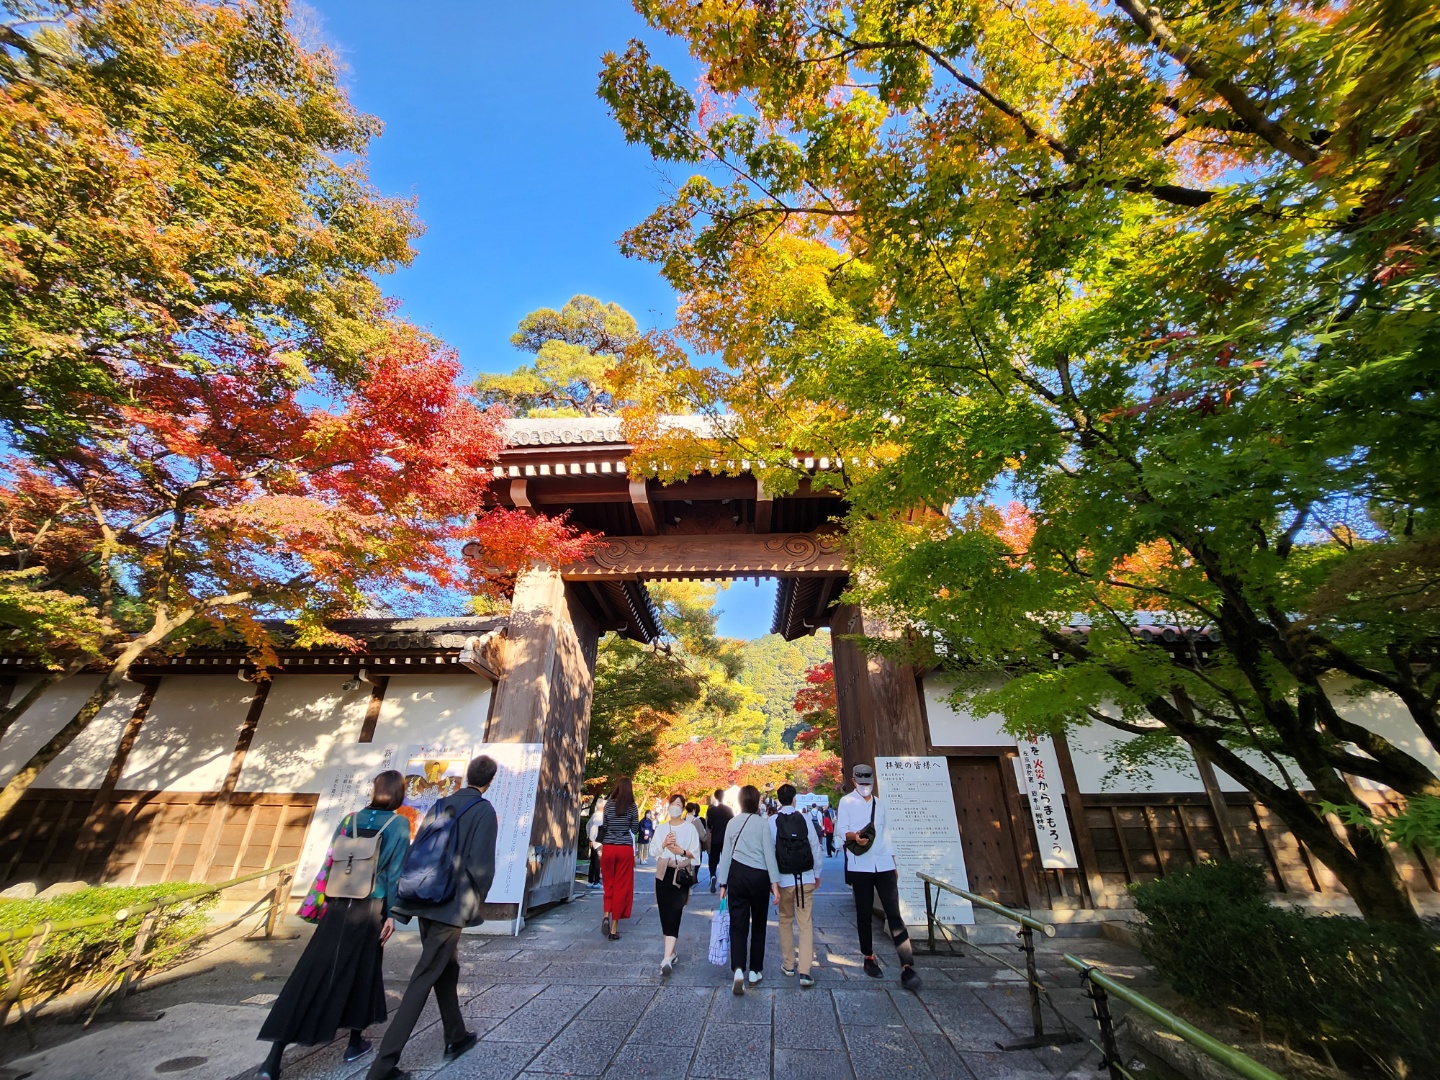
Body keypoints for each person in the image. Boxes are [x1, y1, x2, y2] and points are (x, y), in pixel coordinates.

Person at [255, 771, 410, 1080]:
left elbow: (331, 861)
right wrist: (394, 914)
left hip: (338, 904)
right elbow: (395, 872)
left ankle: (272, 1060)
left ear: (376, 790)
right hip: (370, 907)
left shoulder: (350, 820)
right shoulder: (398, 824)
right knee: (362, 972)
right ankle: (353, 1043)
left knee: (310, 972)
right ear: (398, 794)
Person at [366, 755, 500, 1080]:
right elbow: (481, 866)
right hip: (451, 906)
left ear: (468, 775)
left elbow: (419, 850)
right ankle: (383, 1066)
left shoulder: (441, 804)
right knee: (424, 976)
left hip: (426, 898)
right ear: (490, 781)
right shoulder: (483, 810)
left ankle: (456, 1036)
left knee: (446, 969)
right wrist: (473, 904)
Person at [837, 762, 921, 993]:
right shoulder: (846, 802)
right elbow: (841, 830)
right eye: (861, 782)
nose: (865, 786)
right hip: (860, 864)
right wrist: (854, 836)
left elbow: (886, 834)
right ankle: (869, 957)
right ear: (854, 781)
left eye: (868, 782)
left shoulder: (880, 804)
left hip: (883, 863)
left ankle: (907, 965)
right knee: (864, 913)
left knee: (894, 913)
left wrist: (893, 861)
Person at [716, 784, 779, 996]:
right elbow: (769, 853)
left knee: (738, 922)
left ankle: (738, 969)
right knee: (759, 923)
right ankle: (754, 971)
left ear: (741, 801)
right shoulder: (762, 823)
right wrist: (775, 883)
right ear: (757, 801)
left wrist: (723, 884)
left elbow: (726, 855)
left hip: (737, 874)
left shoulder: (733, 823)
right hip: (760, 876)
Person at [770, 784, 825, 989]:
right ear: (794, 799)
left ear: (779, 800)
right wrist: (816, 873)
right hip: (805, 878)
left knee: (785, 920)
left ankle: (788, 964)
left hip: (784, 880)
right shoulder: (805, 819)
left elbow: (770, 852)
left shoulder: (772, 821)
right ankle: (805, 971)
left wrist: (773, 881)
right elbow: (815, 847)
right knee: (805, 923)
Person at [651, 792, 701, 975]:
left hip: (680, 874)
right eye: (673, 803)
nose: (675, 807)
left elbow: (696, 855)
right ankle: (671, 953)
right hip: (663, 871)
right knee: (665, 913)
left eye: (679, 804)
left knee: (675, 911)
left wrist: (682, 851)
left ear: (683, 808)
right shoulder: (661, 829)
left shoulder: (690, 829)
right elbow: (653, 851)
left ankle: (666, 958)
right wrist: (664, 843)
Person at [599, 777, 640, 940]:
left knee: (608, 883)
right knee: (621, 886)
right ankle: (614, 928)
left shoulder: (608, 805)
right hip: (624, 848)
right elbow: (635, 829)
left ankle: (605, 915)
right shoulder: (632, 807)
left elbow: (605, 825)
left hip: (608, 847)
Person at [706, 790, 733, 893]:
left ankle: (713, 875)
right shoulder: (728, 810)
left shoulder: (712, 810)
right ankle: (725, 881)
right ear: (723, 796)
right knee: (726, 861)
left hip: (715, 839)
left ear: (715, 797)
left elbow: (709, 825)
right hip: (726, 840)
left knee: (713, 860)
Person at [586, 796, 605, 890]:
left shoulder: (595, 815)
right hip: (598, 842)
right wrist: (592, 839)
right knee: (597, 862)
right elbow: (594, 828)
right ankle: (596, 881)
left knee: (593, 861)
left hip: (594, 841)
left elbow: (588, 825)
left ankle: (590, 880)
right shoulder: (600, 816)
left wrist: (590, 839)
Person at [687, 801, 710, 880]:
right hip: (695, 845)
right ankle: (693, 877)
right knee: (695, 863)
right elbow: (703, 835)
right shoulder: (696, 821)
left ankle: (686, 877)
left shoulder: (683, 820)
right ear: (694, 810)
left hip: (684, 846)